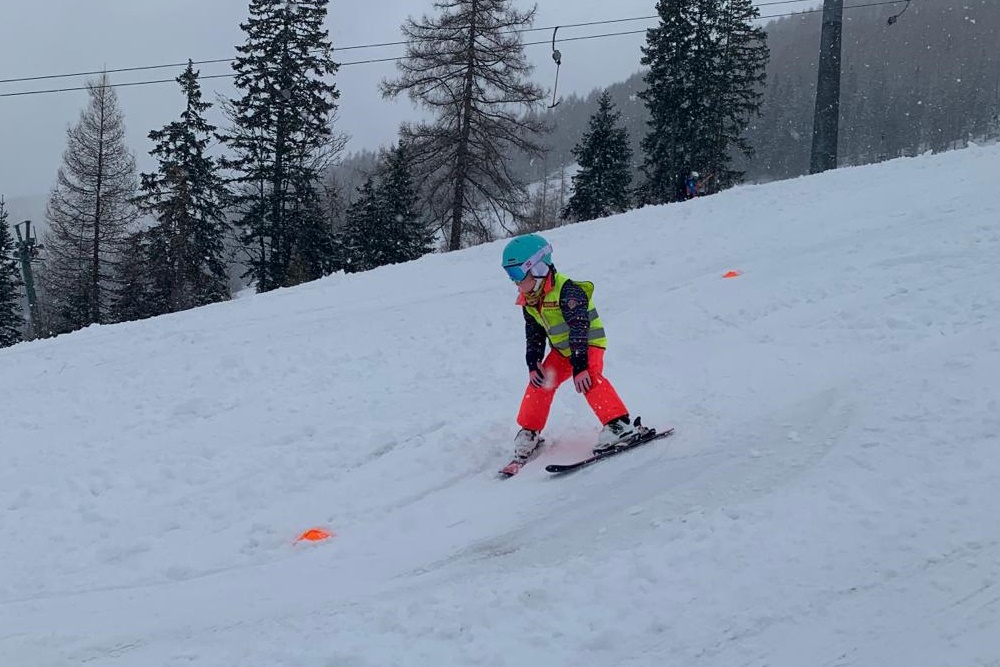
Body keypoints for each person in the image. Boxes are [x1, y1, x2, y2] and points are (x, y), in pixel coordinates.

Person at [501, 233, 636, 463]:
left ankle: (619, 425)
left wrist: (580, 366)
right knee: (541, 382)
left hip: (587, 344)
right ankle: (529, 431)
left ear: (538, 268)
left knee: (588, 379)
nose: (515, 281)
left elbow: (579, 328)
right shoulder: (530, 300)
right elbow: (534, 334)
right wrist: (533, 362)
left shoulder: (568, 291)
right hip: (563, 351)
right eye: (509, 274)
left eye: (517, 274)